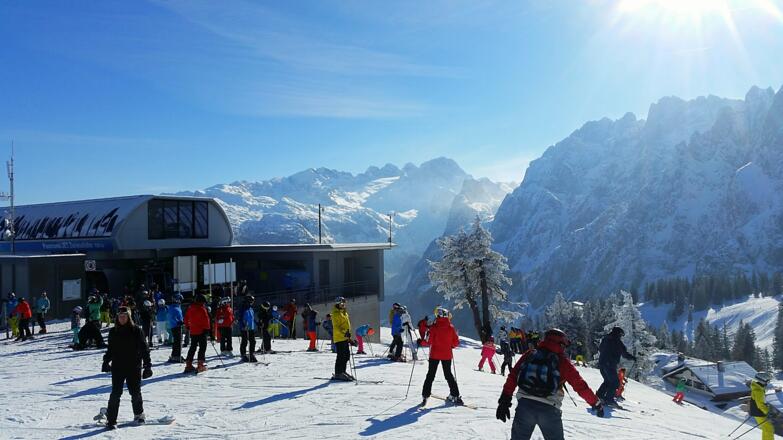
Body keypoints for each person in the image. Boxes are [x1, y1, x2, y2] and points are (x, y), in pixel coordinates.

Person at [496, 328, 604, 440]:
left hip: (525, 406)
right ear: (562, 344)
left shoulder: (530, 354)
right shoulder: (563, 361)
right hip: (549, 409)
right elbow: (580, 386)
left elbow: (513, 376)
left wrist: (505, 399)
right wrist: (596, 403)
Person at [101, 306, 153, 429]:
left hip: (133, 367)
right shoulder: (114, 331)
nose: (122, 319)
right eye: (120, 317)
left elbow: (144, 349)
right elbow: (111, 349)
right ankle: (111, 420)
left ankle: (139, 415)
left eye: (124, 317)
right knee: (115, 393)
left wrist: (147, 366)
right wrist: (106, 361)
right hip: (118, 367)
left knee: (135, 393)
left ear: (129, 317)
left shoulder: (136, 331)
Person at [421, 307, 462, 406]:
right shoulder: (451, 327)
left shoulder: (434, 327)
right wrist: (450, 345)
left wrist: (420, 342)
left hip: (434, 354)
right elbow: (456, 343)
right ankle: (455, 394)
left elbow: (428, 341)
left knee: (430, 375)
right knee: (448, 375)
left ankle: (425, 395)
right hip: (446, 355)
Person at [596, 326, 636, 407]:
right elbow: (624, 354)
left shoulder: (605, 339)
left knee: (607, 381)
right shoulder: (617, 342)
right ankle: (609, 400)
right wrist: (633, 358)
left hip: (602, 363)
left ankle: (599, 397)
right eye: (621, 335)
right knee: (615, 382)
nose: (621, 337)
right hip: (610, 364)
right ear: (618, 334)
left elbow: (600, 349)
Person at [183, 294, 211, 373]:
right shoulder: (202, 308)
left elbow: (186, 318)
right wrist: (207, 329)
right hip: (201, 331)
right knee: (202, 347)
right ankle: (200, 364)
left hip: (193, 331)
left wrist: (188, 326)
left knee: (192, 347)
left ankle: (188, 365)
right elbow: (206, 319)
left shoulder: (190, 308)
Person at [331, 297, 354, 381]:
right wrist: (345, 332)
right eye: (342, 304)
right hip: (339, 337)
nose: (343, 305)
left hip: (344, 337)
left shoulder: (344, 312)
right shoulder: (336, 314)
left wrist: (348, 337)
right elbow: (337, 328)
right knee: (341, 356)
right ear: (338, 304)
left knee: (346, 355)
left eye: (344, 304)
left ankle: (342, 371)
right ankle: (338, 373)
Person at [750, 371, 775, 440]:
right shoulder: (758, 390)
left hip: (757, 411)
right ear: (762, 380)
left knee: (767, 428)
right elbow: (760, 404)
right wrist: (768, 412)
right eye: (767, 380)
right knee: (768, 429)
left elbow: (759, 402)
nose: (768, 382)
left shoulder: (757, 388)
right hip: (759, 412)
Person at [239, 295, 258, 363]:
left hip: (251, 327)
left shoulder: (251, 308)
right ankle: (243, 354)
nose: (253, 302)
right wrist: (243, 325)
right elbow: (240, 318)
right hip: (244, 328)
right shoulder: (243, 308)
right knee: (244, 341)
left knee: (253, 341)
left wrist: (257, 323)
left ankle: (251, 354)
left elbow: (252, 318)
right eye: (252, 301)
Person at [167, 294, 184, 363]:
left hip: (177, 326)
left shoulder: (177, 307)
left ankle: (176, 355)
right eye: (180, 300)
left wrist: (181, 321)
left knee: (178, 341)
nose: (181, 302)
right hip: (175, 326)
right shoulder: (173, 308)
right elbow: (171, 317)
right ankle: (176, 355)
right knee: (178, 341)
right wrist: (178, 322)